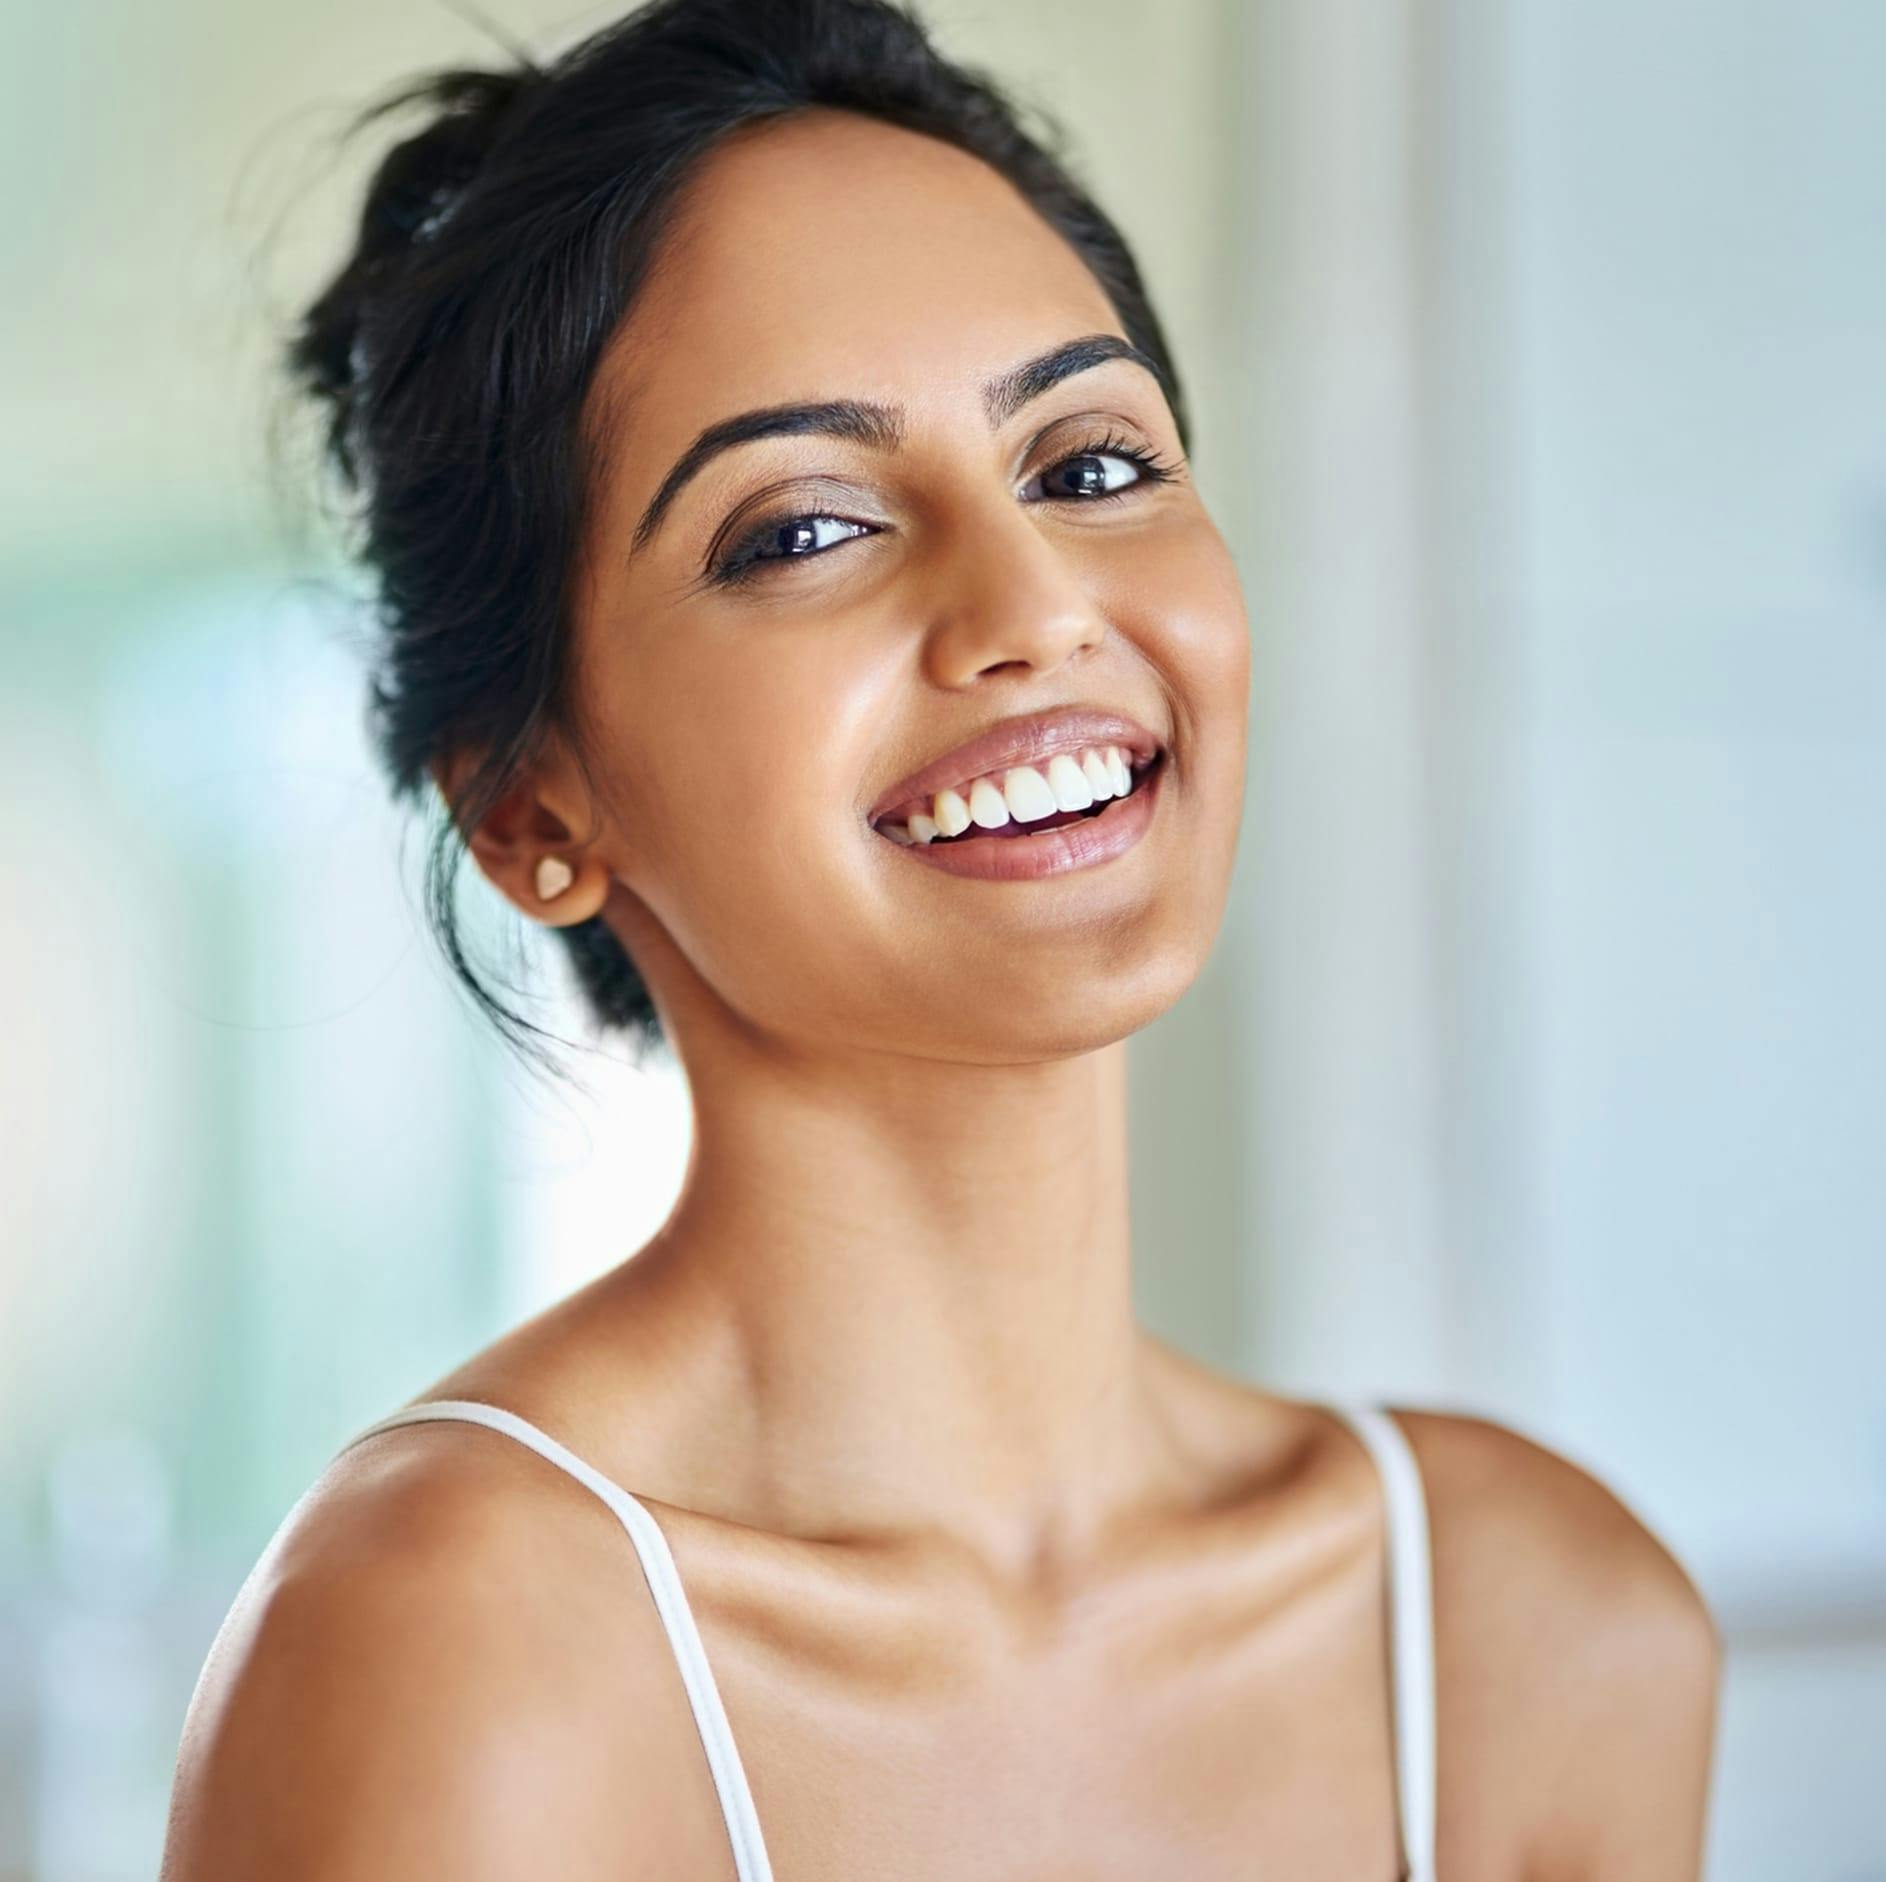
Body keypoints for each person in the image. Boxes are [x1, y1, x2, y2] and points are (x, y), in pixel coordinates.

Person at [159, 1, 1721, 1875]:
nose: (1030, 604)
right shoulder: (461, 1646)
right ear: (533, 808)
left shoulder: (1532, 1625)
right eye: (803, 527)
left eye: (1086, 465)